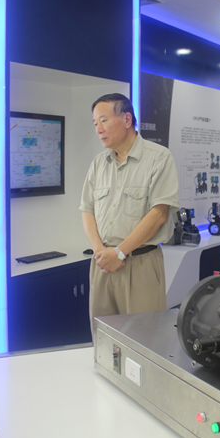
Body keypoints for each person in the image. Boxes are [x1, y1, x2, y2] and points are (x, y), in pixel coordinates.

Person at [79, 93, 179, 325]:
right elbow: (87, 209)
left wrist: (119, 253)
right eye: (95, 123)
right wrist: (101, 252)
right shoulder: (98, 163)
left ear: (126, 119)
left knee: (143, 334)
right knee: (103, 335)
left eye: (104, 121)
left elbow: (158, 214)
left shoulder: (159, 158)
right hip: (103, 264)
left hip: (139, 263)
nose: (98, 129)